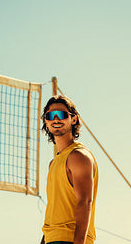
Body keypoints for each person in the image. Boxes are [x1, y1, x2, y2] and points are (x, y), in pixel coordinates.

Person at [41, 95, 98, 244]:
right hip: (52, 238)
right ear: (45, 121)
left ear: (73, 119)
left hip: (70, 239)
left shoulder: (78, 156)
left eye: (61, 114)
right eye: (50, 115)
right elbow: (55, 211)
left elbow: (85, 202)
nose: (56, 119)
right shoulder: (53, 163)